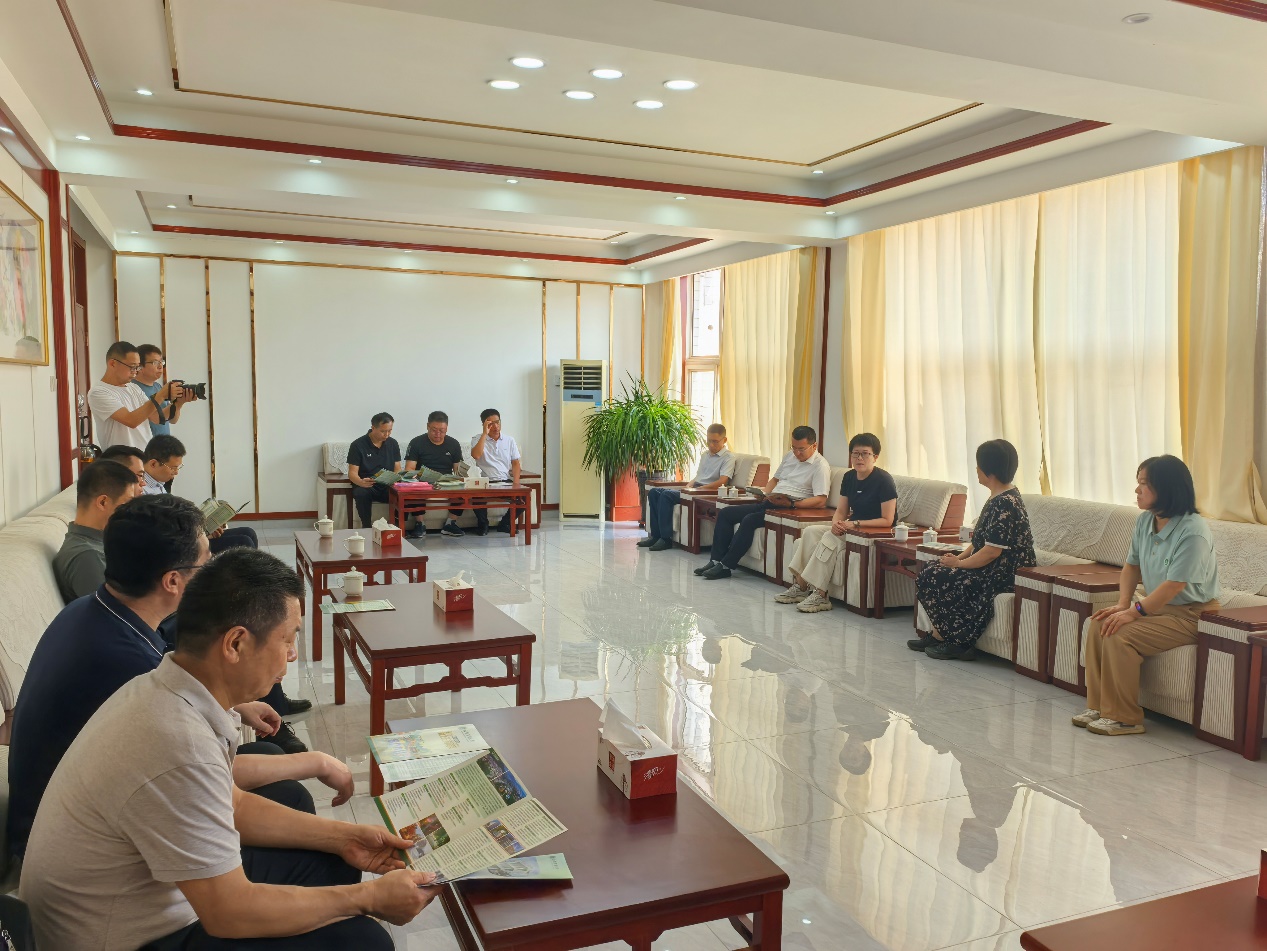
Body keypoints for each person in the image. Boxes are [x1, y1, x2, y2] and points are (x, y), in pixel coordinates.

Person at [19, 547, 439, 950]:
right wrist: (368, 900)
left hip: (148, 893)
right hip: (123, 937)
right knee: (363, 940)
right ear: (235, 644)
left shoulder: (169, 689)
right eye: (287, 640)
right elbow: (228, 912)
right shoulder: (177, 741)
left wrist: (345, 838)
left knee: (334, 860)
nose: (292, 655)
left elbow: (231, 803)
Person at [8, 498, 350, 862]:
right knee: (293, 804)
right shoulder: (130, 666)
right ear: (172, 581)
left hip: (74, 809)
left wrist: (239, 704)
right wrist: (317, 762)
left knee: (270, 755)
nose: (211, 574)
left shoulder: (94, 611)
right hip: (79, 845)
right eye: (205, 565)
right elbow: (198, 766)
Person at [1074, 455, 1221, 737]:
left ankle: (1125, 719)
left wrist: (1134, 612)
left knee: (1119, 634)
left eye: (1144, 484)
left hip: (1192, 615)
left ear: (1166, 488)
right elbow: (1131, 566)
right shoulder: (1145, 521)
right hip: (1158, 609)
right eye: (1138, 482)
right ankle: (1100, 707)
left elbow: (1173, 586)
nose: (1137, 490)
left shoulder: (1193, 532)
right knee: (1098, 624)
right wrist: (1122, 604)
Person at [909, 439, 1036, 661]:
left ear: (989, 470)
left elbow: (992, 552)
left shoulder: (1005, 502)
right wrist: (957, 558)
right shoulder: (998, 496)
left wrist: (959, 564)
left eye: (978, 465)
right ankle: (939, 635)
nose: (976, 469)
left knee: (939, 576)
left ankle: (959, 643)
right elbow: (979, 543)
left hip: (1004, 572)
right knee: (932, 570)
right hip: (992, 565)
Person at [778, 432, 897, 613]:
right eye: (855, 453)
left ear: (875, 457)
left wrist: (854, 524)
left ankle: (821, 595)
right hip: (851, 527)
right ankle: (801, 587)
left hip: (871, 533)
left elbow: (888, 520)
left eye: (865, 454)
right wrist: (836, 524)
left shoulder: (884, 480)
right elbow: (841, 511)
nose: (859, 458)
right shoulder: (849, 477)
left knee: (829, 538)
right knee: (810, 532)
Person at [696, 426, 831, 581]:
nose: (796, 453)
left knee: (749, 520)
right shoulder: (789, 456)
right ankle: (715, 560)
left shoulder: (820, 466)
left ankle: (726, 566)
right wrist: (765, 494)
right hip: (771, 502)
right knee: (726, 513)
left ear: (814, 446)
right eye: (793, 447)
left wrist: (792, 504)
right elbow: (774, 480)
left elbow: (821, 500)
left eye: (801, 449)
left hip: (789, 508)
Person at [143, 434, 261, 555]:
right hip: (177, 547)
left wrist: (203, 529)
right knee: (243, 541)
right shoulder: (143, 492)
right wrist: (198, 536)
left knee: (249, 533)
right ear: (153, 464)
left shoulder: (158, 484)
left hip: (186, 536)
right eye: (173, 468)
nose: (176, 472)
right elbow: (161, 532)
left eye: (178, 467)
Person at [51, 459, 139, 603]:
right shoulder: (87, 556)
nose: (130, 512)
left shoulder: (100, 541)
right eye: (126, 504)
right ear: (103, 502)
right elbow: (114, 613)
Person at [639, 423, 735, 551]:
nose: (711, 445)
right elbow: (699, 477)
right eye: (709, 441)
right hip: (694, 489)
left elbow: (722, 481)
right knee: (654, 492)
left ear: (725, 440)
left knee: (666, 495)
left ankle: (666, 539)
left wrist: (699, 489)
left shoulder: (728, 457)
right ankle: (655, 536)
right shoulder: (705, 455)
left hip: (704, 492)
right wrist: (688, 486)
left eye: (715, 441)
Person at [86, 340, 181, 451]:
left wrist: (179, 402)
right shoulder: (99, 392)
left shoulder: (133, 388)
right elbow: (131, 420)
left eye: (137, 367)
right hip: (121, 458)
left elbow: (155, 418)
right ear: (113, 364)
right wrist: (161, 395)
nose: (135, 372)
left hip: (144, 456)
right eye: (132, 367)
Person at [405, 410, 467, 538]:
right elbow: (409, 469)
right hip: (423, 481)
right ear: (427, 426)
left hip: (445, 482)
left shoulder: (453, 444)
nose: (438, 434)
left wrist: (462, 476)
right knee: (411, 489)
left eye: (442, 430)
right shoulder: (416, 442)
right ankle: (420, 524)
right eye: (434, 430)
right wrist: (417, 477)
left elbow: (458, 470)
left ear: (447, 428)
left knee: (464, 490)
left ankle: (451, 523)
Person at [470, 408, 522, 535]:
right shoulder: (477, 439)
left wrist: (516, 483)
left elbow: (516, 463)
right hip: (485, 482)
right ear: (484, 425)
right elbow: (476, 455)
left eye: (497, 422)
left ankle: (505, 524)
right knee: (475, 496)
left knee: (523, 498)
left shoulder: (509, 440)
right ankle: (483, 525)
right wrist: (484, 434)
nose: (496, 426)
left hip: (505, 481)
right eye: (491, 424)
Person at [347, 412, 402, 529]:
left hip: (387, 486)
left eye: (390, 431)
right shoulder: (357, 445)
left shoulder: (393, 443)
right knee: (361, 492)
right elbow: (352, 473)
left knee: (403, 493)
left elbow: (397, 468)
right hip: (368, 485)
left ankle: (397, 527)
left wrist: (396, 478)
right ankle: (366, 526)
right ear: (373, 428)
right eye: (383, 431)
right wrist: (360, 482)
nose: (387, 434)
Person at [134, 344, 189, 438]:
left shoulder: (158, 387)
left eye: (161, 362)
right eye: (155, 362)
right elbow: (154, 418)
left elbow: (172, 420)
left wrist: (179, 402)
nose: (160, 366)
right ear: (140, 366)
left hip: (164, 444)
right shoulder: (132, 388)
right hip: (146, 445)